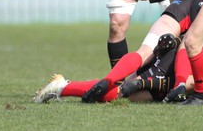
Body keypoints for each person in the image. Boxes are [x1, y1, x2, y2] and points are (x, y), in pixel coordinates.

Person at [33, 34, 185, 104]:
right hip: (174, 56)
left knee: (126, 93)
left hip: (177, 51)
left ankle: (62, 86)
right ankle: (63, 87)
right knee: (126, 90)